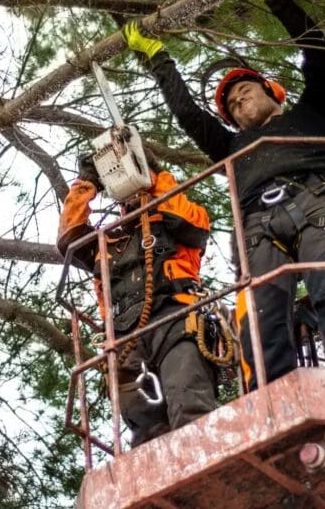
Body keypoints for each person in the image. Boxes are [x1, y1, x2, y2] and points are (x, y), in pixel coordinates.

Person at [122, 0, 325, 391]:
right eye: (231, 105)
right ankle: (271, 396)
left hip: (317, 201)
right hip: (259, 225)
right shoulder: (230, 146)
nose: (237, 101)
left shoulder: (313, 113)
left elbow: (318, 52)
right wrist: (158, 57)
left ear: (272, 91)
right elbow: (189, 115)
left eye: (244, 91)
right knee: (259, 318)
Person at [57, 151, 217, 447]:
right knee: (143, 428)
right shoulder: (107, 240)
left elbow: (185, 220)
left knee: (188, 400)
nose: (131, 195)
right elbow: (68, 238)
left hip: (175, 320)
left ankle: (205, 462)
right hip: (124, 338)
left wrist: (154, 172)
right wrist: (86, 184)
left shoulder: (175, 218)